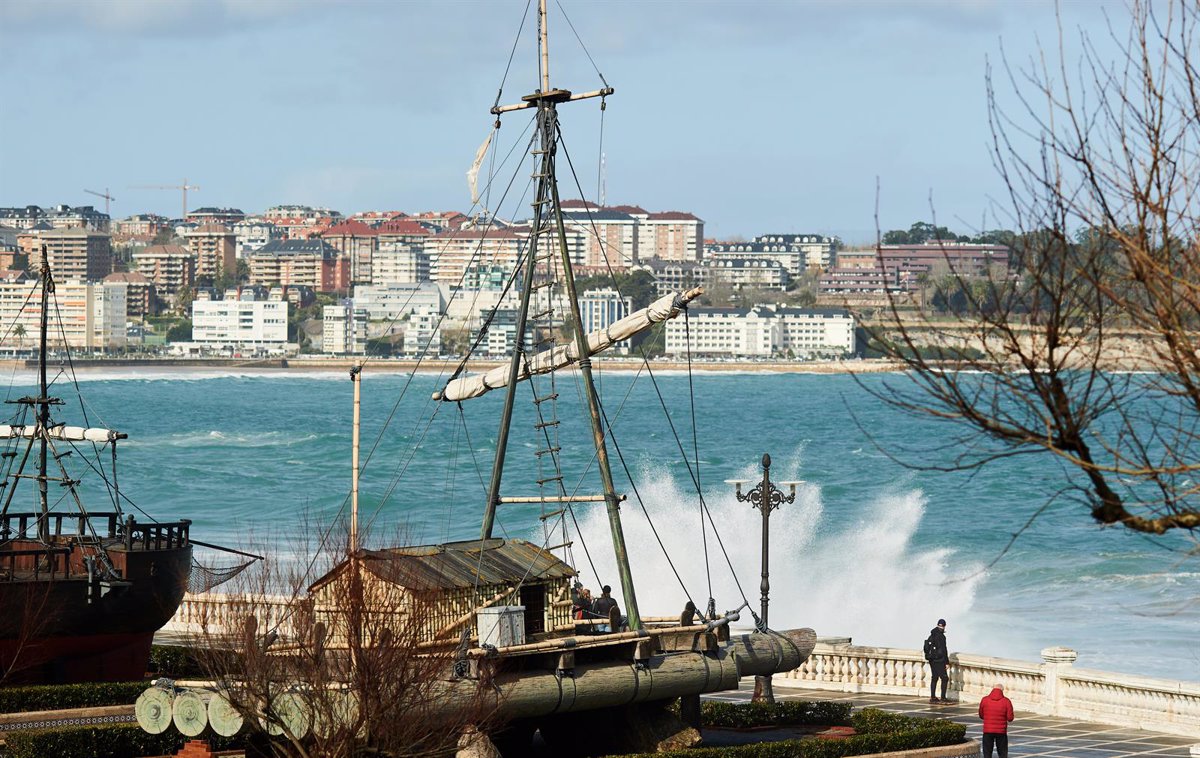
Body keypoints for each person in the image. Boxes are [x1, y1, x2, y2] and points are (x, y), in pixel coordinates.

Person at [978, 683, 1014, 757]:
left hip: (987, 731)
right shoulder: (1006, 701)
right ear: (1002, 691)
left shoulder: (984, 700)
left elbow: (981, 715)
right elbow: (1010, 718)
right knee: (1002, 753)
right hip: (1001, 732)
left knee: (987, 753)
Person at [923, 618, 950, 703]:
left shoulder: (932, 634)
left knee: (934, 677)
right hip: (939, 660)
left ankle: (933, 697)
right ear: (944, 626)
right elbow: (944, 650)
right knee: (944, 678)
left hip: (932, 659)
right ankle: (943, 698)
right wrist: (947, 662)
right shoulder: (941, 636)